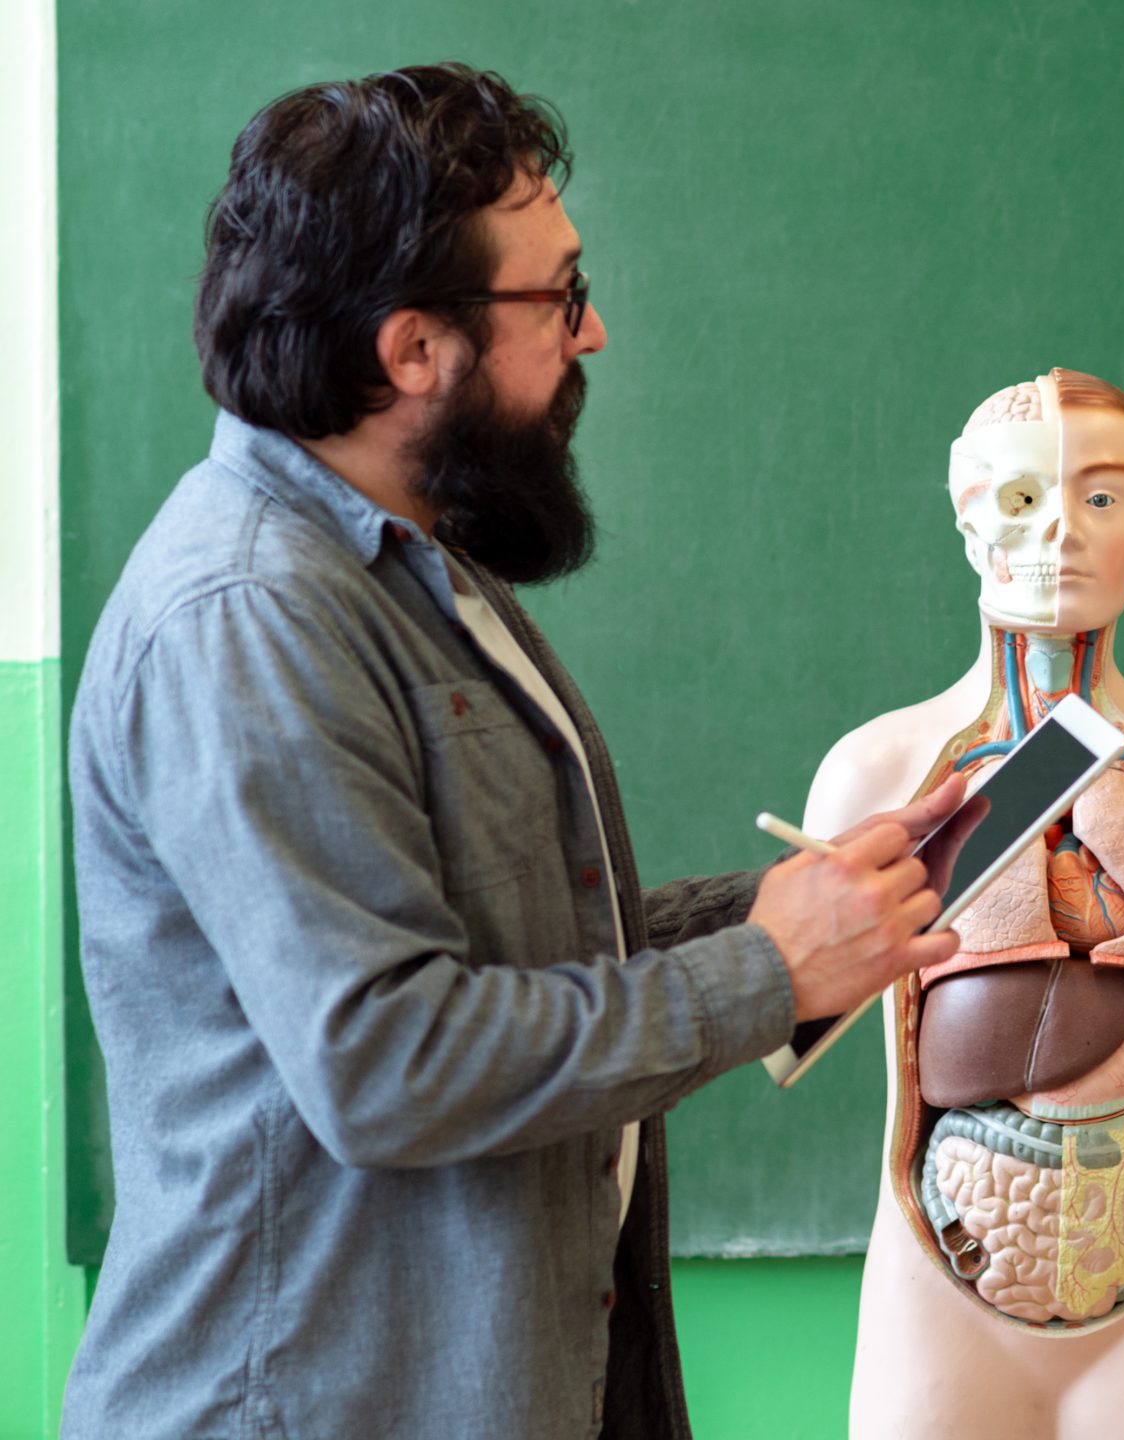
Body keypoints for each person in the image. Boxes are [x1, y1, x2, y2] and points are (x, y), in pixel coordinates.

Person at [62, 64, 963, 1440]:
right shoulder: (250, 616)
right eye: (557, 296)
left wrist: (806, 906)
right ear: (412, 348)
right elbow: (388, 1054)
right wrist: (767, 970)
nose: (591, 335)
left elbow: (515, 943)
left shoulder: (412, 558)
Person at [809, 369, 1124, 1439]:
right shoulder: (874, 770)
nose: (1062, 535)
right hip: (939, 1264)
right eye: (1023, 500)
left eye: (1102, 498)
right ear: (966, 518)